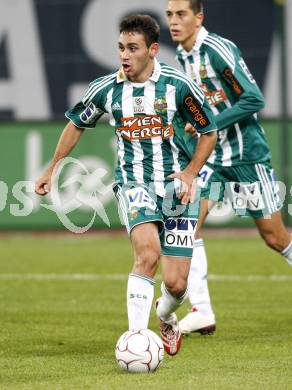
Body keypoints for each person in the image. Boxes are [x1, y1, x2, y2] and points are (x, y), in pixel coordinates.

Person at [35, 14, 217, 355]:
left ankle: (165, 317)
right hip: (133, 184)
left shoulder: (177, 86)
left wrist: (191, 172)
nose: (124, 55)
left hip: (177, 188)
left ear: (152, 50)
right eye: (121, 48)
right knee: (147, 255)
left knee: (177, 286)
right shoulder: (106, 89)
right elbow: (76, 124)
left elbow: (209, 130)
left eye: (132, 48)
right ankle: (137, 338)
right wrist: (52, 168)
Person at [165, 0, 292, 335]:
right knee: (185, 226)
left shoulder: (217, 50)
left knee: (275, 237)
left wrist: (209, 122)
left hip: (246, 157)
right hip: (212, 160)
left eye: (181, 15)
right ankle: (202, 311)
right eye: (169, 15)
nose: (173, 22)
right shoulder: (183, 57)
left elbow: (253, 99)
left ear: (198, 17)